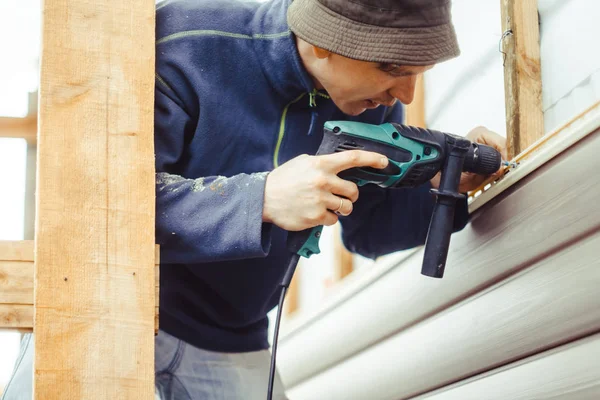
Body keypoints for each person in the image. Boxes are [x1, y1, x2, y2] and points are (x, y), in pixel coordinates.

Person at [1, 0, 506, 399]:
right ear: (322, 39)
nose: (407, 94)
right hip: (106, 309)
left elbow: (369, 232)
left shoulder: (375, 106)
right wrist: (260, 198)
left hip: (233, 336)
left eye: (419, 71)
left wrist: (450, 192)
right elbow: (95, 207)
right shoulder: (182, 45)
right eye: (392, 67)